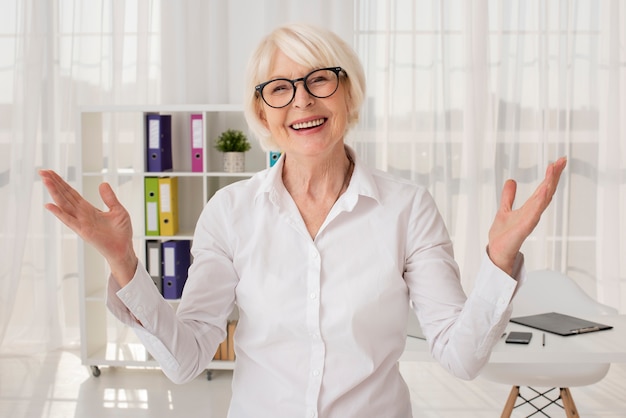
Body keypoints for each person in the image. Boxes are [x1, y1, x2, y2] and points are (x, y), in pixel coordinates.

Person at [39, 22, 567, 418]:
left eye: (320, 79)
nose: (303, 101)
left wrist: (499, 259)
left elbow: (460, 357)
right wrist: (124, 263)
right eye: (280, 88)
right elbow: (186, 360)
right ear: (264, 112)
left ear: (349, 92)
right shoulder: (230, 212)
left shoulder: (408, 208)